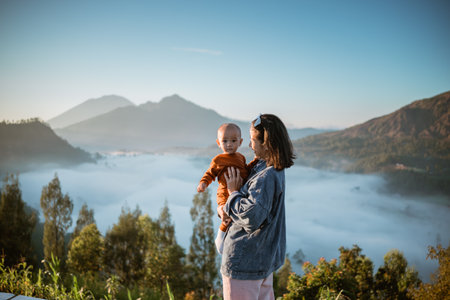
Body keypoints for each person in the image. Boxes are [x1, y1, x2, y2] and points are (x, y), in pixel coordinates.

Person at [219, 114, 295, 300]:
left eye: (253, 140)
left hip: (244, 262)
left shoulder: (265, 175)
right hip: (262, 260)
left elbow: (252, 216)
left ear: (266, 144)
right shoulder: (271, 168)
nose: (250, 145)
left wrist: (233, 192)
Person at [197, 123, 257, 253]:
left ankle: (233, 241)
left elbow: (246, 171)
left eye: (233, 141)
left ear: (240, 142)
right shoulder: (218, 160)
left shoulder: (241, 157)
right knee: (226, 215)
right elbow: (210, 173)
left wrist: (255, 161)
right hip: (224, 192)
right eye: (225, 141)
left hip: (239, 191)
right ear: (219, 143)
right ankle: (220, 236)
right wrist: (203, 183)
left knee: (236, 216)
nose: (229, 144)